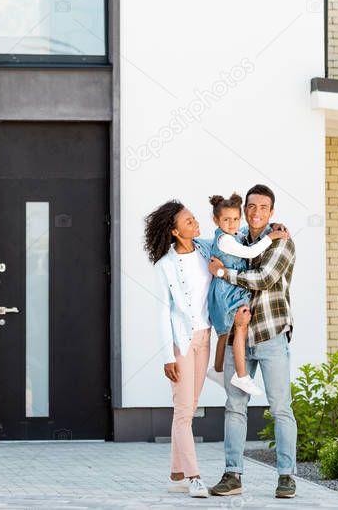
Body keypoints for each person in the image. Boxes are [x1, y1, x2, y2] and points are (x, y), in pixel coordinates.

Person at [206, 184, 298, 500]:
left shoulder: (281, 242)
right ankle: (233, 475)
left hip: (270, 335)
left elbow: (263, 279)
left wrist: (224, 275)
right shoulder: (236, 238)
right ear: (245, 209)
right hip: (238, 337)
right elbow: (214, 247)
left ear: (271, 212)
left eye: (263, 207)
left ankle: (286, 477)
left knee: (280, 408)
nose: (256, 212)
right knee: (234, 406)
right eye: (251, 207)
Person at [144, 199, 213, 498]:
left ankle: (175, 475)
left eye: (194, 218)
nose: (195, 223)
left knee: (188, 409)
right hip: (182, 342)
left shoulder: (206, 249)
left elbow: (233, 238)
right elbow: (163, 311)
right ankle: (194, 477)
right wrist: (167, 356)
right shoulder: (165, 265)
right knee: (184, 411)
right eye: (188, 222)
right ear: (174, 231)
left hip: (206, 337)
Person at [205, 193, 288, 396]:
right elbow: (250, 253)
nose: (232, 223)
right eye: (227, 219)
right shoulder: (228, 241)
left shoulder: (233, 236)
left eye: (235, 219)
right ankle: (240, 376)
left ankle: (217, 370)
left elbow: (245, 236)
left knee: (225, 335)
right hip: (230, 294)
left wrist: (272, 226)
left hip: (227, 293)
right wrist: (270, 237)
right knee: (239, 329)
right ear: (216, 220)